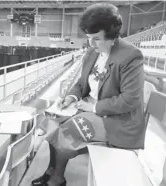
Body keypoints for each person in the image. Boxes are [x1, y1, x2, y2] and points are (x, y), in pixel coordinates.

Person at [32, 3, 145, 186]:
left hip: (116, 120)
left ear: (112, 36)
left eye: (97, 39)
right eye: (89, 38)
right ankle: (51, 170)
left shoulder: (131, 56)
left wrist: (92, 107)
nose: (91, 44)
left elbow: (130, 100)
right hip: (87, 106)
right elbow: (81, 83)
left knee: (66, 131)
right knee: (51, 121)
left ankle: (57, 179)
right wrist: (72, 97)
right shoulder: (93, 52)